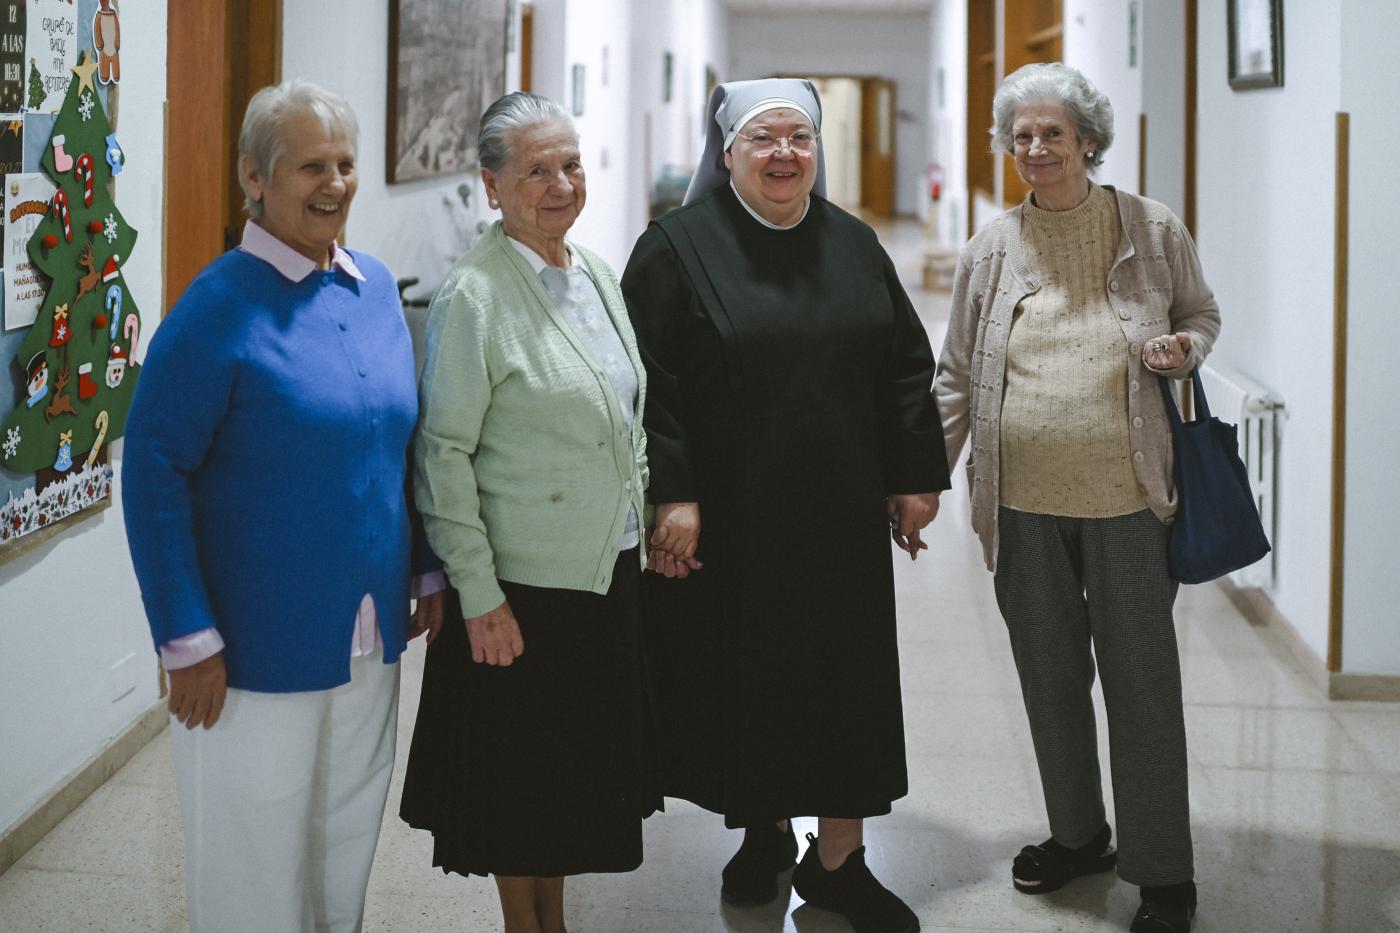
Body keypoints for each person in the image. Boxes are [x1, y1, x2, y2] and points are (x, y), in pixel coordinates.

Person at [621, 78, 947, 933]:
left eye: (799, 138)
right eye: (763, 139)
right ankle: (762, 834)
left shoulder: (854, 242)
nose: (783, 155)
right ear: (727, 153)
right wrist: (674, 491)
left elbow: (905, 365)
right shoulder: (674, 249)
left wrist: (913, 478)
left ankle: (840, 861)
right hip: (732, 517)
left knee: (846, 681)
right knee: (751, 677)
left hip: (840, 513)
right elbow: (648, 381)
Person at [123, 81, 444, 933]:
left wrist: (424, 568)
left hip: (368, 633)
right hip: (249, 647)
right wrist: (185, 636)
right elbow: (152, 473)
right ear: (253, 177)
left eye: (345, 164)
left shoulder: (374, 287)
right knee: (252, 863)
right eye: (310, 167)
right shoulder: (217, 305)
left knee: (344, 841)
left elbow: (395, 440)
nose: (334, 184)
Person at [934, 62, 1222, 933]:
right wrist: (921, 480)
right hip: (1021, 502)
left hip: (1129, 499)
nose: (1035, 148)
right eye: (1020, 135)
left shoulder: (1150, 228)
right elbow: (956, 375)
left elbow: (1201, 315)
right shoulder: (991, 248)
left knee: (1141, 685)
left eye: (1052, 133)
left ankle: (1164, 873)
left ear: (1088, 140)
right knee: (1049, 677)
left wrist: (1183, 349)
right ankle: (1078, 833)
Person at [399, 91, 651, 933]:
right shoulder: (474, 295)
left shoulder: (596, 274)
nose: (560, 184)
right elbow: (443, 454)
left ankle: (554, 921)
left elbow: (626, 414)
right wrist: (478, 593)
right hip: (520, 589)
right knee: (520, 786)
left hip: (602, 573)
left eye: (570, 164)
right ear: (492, 186)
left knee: (567, 781)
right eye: (536, 170)